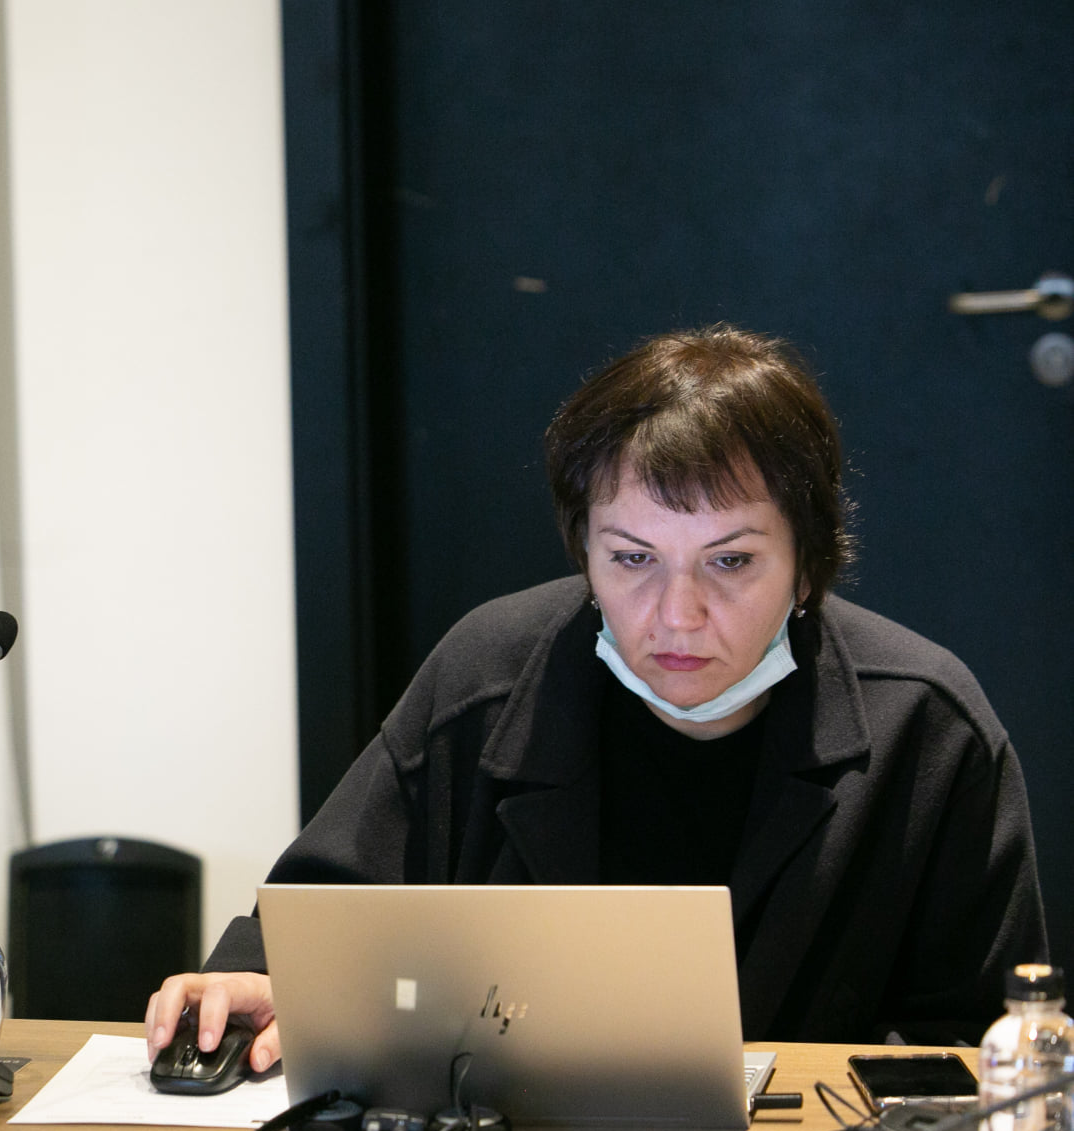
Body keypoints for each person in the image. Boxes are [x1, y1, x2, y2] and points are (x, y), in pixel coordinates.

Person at [149, 326, 1048, 1071]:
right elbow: (322, 914)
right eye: (632, 558)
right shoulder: (487, 675)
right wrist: (253, 975)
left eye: (731, 561)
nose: (677, 613)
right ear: (584, 551)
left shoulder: (931, 728)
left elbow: (986, 1050)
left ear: (808, 565)